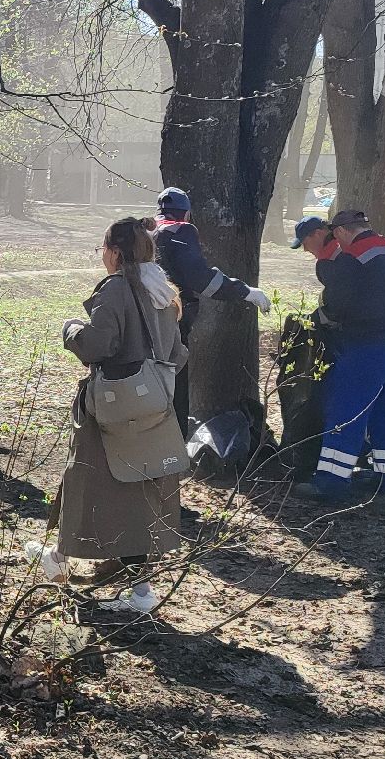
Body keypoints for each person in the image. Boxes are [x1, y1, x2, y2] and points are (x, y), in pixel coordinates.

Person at [44, 217, 190, 615]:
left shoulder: (117, 288)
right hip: (155, 407)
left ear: (115, 253)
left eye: (103, 249)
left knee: (87, 477)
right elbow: (178, 353)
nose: (102, 257)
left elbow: (97, 344)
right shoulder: (163, 291)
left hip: (114, 407)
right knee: (141, 490)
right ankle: (133, 585)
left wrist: (70, 329)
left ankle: (70, 562)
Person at [297, 210, 385, 500]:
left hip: (369, 344)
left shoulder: (353, 257)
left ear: (341, 232)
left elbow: (337, 303)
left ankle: (330, 483)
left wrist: (326, 325)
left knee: (346, 411)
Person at [150, 187, 271, 434]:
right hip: (173, 317)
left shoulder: (149, 232)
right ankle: (176, 438)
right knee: (176, 377)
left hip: (148, 318)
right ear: (186, 213)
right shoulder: (182, 231)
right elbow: (201, 279)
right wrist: (245, 292)